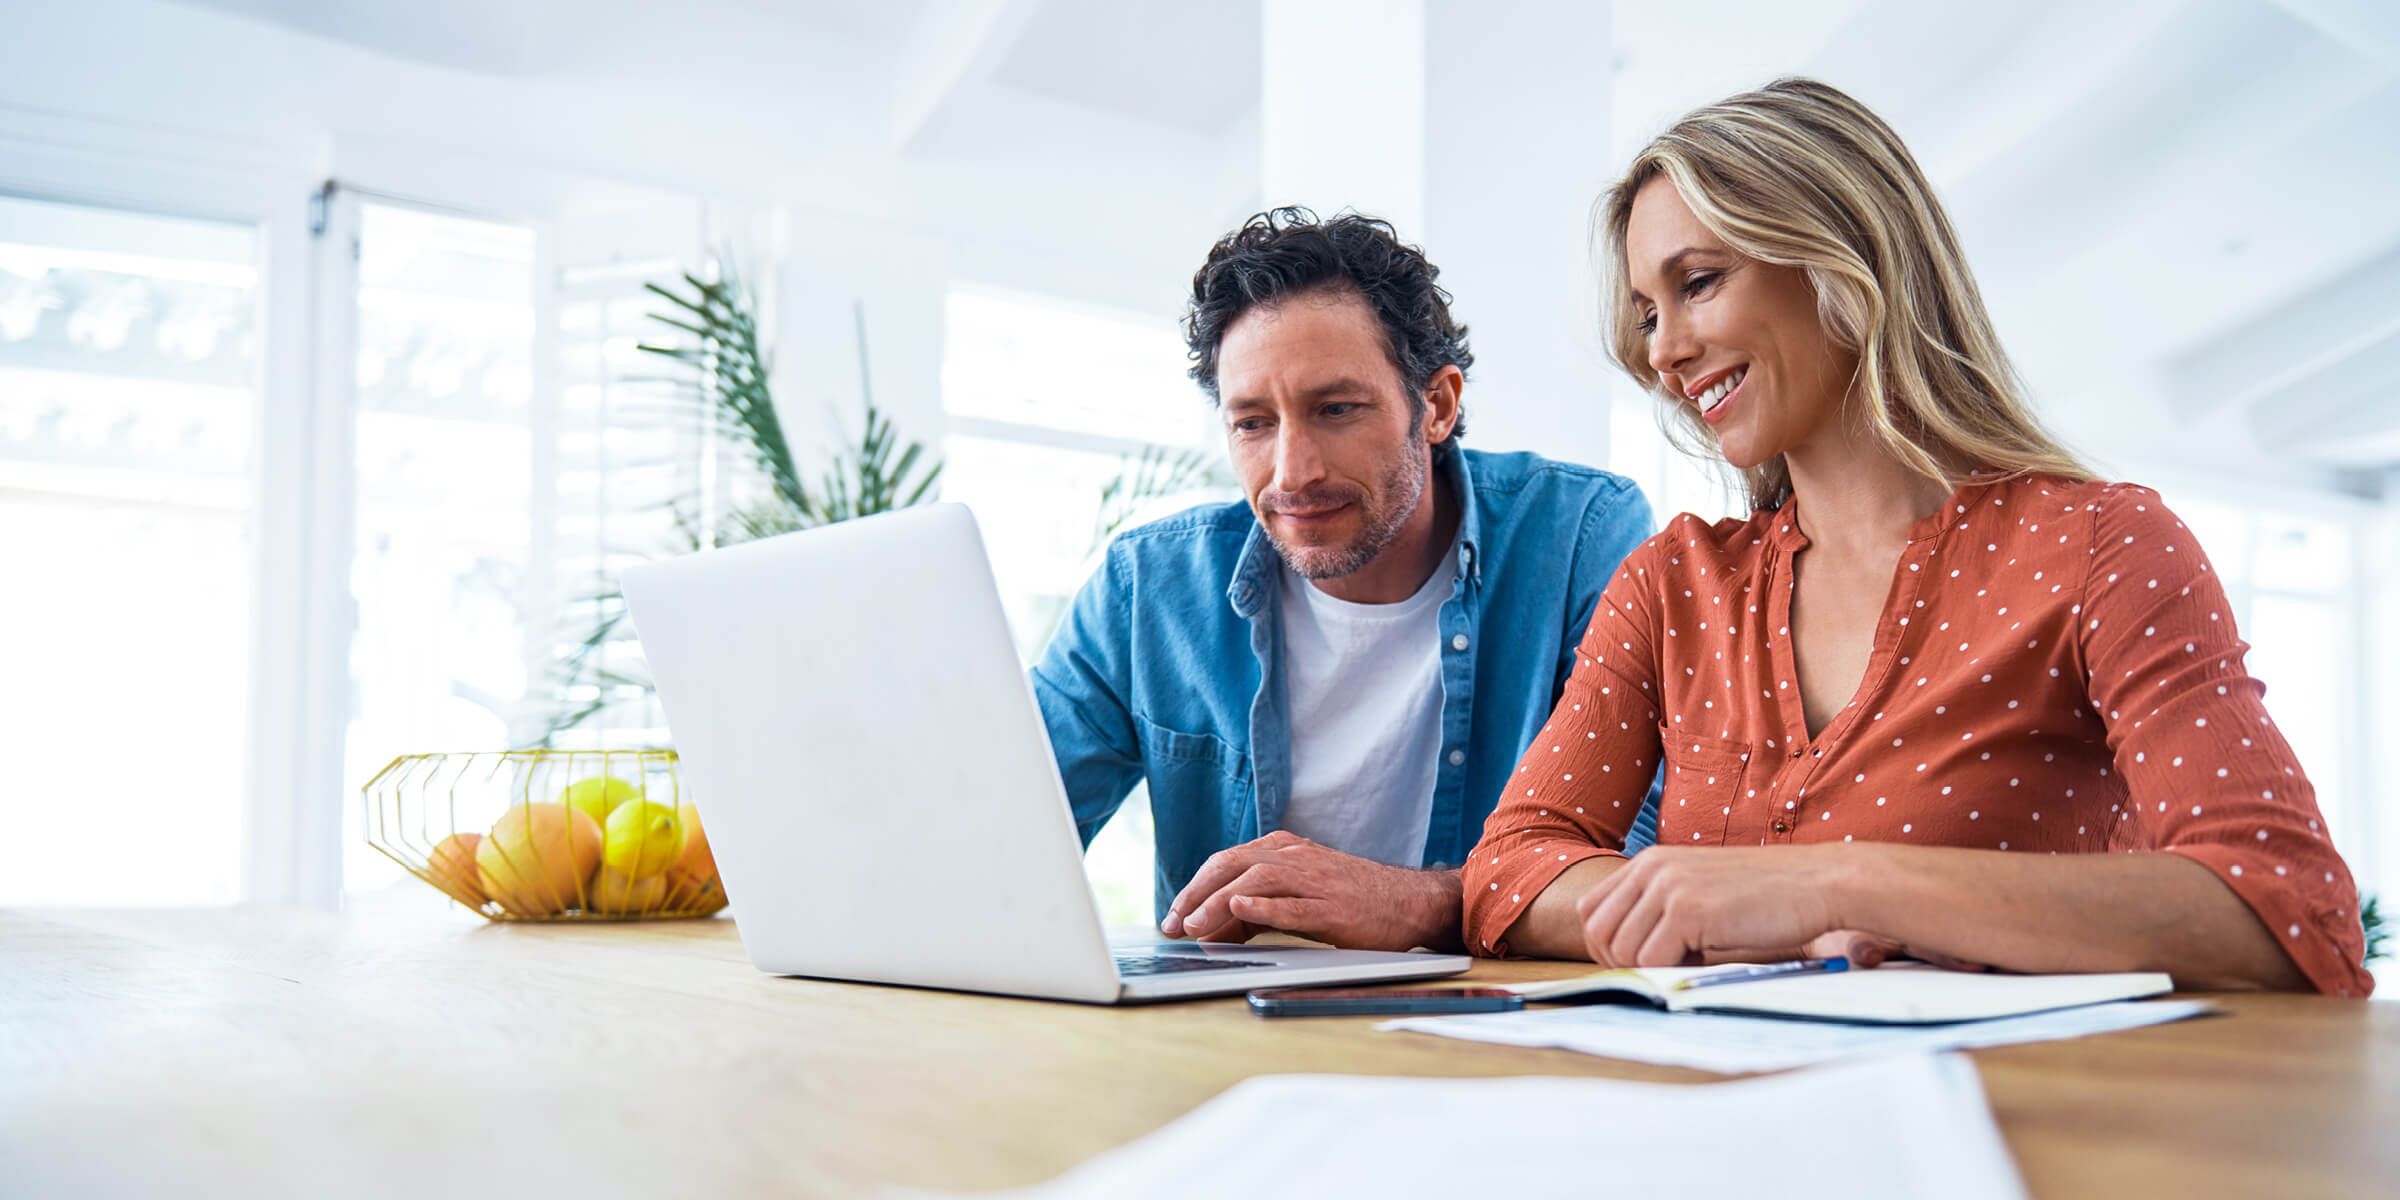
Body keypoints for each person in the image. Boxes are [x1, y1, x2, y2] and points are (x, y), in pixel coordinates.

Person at [1462, 78, 2371, 996]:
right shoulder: (1674, 586)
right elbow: (1511, 870)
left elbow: (2291, 910)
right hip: (1722, 1111)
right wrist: (1701, 915)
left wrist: (1837, 883)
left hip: (2032, 1121)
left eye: (1698, 283)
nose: (1661, 352)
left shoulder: (2104, 546)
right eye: (1648, 314)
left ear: (1842, 259)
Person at [1034, 208, 1660, 953]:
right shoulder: (1148, 587)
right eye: (1253, 424)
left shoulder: (1578, 535)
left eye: (1335, 410)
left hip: (1492, 1025)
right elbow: (1002, 835)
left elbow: (1642, 862)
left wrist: (1419, 904)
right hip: (1223, 1034)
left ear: (1437, 405)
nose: (1293, 473)